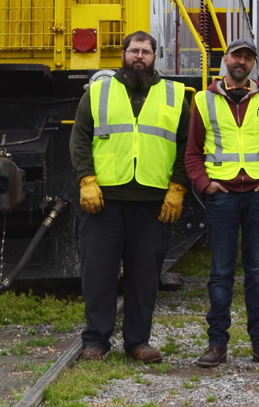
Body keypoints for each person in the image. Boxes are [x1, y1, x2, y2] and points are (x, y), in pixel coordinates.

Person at [71, 31, 191, 363]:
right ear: (123, 54)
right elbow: (80, 137)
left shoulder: (173, 94)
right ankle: (95, 340)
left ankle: (138, 341)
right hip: (104, 199)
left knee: (144, 276)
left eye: (146, 51)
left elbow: (187, 145)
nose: (140, 56)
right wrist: (86, 180)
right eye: (134, 50)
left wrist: (178, 187)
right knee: (99, 273)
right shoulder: (98, 92)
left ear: (156, 56)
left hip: (153, 201)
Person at [185, 39, 259, 368]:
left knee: (257, 273)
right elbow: (192, 153)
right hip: (222, 197)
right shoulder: (204, 101)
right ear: (226, 60)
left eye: (248, 57)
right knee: (220, 273)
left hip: (258, 195)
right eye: (237, 56)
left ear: (252, 63)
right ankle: (217, 344)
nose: (241, 62)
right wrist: (206, 185)